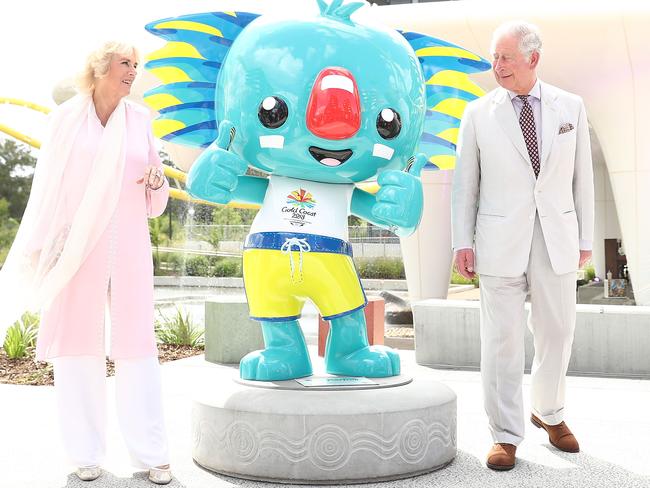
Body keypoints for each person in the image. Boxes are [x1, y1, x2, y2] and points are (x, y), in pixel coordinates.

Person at [0, 42, 172, 484]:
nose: (134, 71)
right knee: (77, 350)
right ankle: (84, 455)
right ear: (100, 67)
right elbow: (47, 189)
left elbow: (157, 199)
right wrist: (42, 246)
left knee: (138, 349)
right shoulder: (65, 120)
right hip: (76, 248)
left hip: (130, 247)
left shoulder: (140, 120)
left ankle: (152, 455)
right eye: (125, 63)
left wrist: (157, 181)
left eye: (137, 64)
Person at [451, 21, 594, 471]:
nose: (497, 66)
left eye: (506, 57)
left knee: (557, 332)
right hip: (497, 240)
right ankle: (505, 434)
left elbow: (582, 178)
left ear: (533, 58)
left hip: (557, 238)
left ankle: (549, 413)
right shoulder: (478, 113)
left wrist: (586, 237)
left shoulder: (571, 106)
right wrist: (461, 241)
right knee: (501, 340)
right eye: (495, 58)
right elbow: (464, 187)